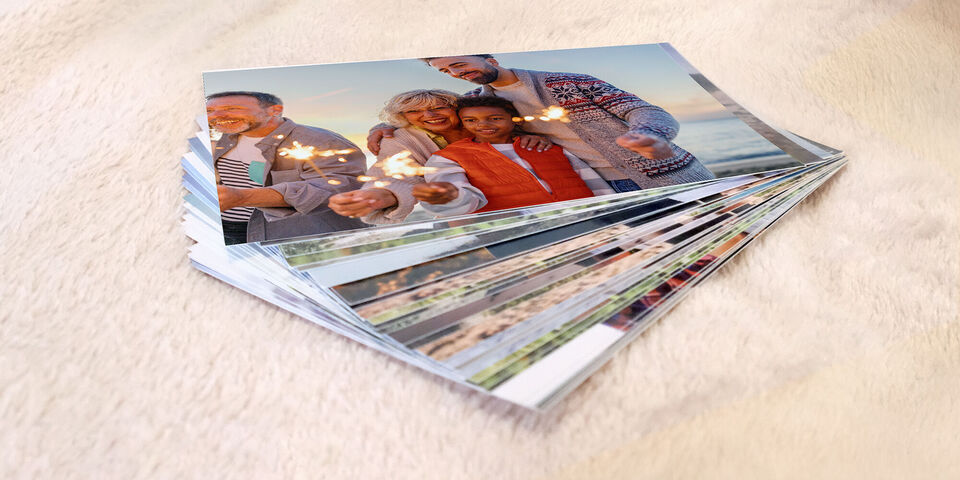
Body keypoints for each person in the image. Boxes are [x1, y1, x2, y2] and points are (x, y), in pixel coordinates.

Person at [369, 54, 715, 192]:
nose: (458, 73)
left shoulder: (569, 81)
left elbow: (644, 110)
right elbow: (432, 116)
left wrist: (648, 133)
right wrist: (386, 130)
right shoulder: (473, 104)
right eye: (448, 71)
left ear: (489, 58)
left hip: (667, 172)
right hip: (598, 187)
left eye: (460, 64)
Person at [327, 89, 552, 224]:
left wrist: (533, 139)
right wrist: (382, 195)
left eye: (439, 107)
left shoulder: (481, 122)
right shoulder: (399, 139)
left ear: (458, 108)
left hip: (536, 201)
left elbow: (520, 128)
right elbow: (395, 173)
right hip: (472, 214)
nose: (429, 115)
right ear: (402, 117)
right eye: (414, 111)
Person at [206, 91, 367, 244]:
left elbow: (341, 187)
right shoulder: (220, 139)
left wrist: (243, 197)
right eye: (210, 110)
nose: (216, 116)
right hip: (223, 231)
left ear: (274, 110)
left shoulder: (322, 141)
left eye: (232, 108)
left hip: (293, 238)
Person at [412, 96, 614, 216]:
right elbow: (466, 199)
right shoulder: (448, 157)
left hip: (586, 217)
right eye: (471, 120)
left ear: (515, 120)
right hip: (524, 231)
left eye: (495, 118)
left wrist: (614, 209)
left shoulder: (547, 146)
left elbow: (591, 180)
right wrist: (450, 196)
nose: (483, 125)